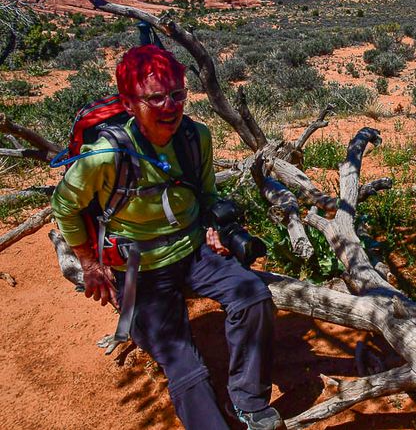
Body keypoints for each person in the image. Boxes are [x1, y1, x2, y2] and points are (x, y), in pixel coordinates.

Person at [51, 45, 283, 430]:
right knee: (184, 364)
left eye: (177, 94)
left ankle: (249, 402)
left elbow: (206, 194)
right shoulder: (104, 156)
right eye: (155, 97)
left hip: (193, 250)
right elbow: (65, 206)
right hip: (138, 267)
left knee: (254, 297)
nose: (169, 106)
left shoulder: (196, 138)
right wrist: (90, 263)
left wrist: (213, 226)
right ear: (128, 103)